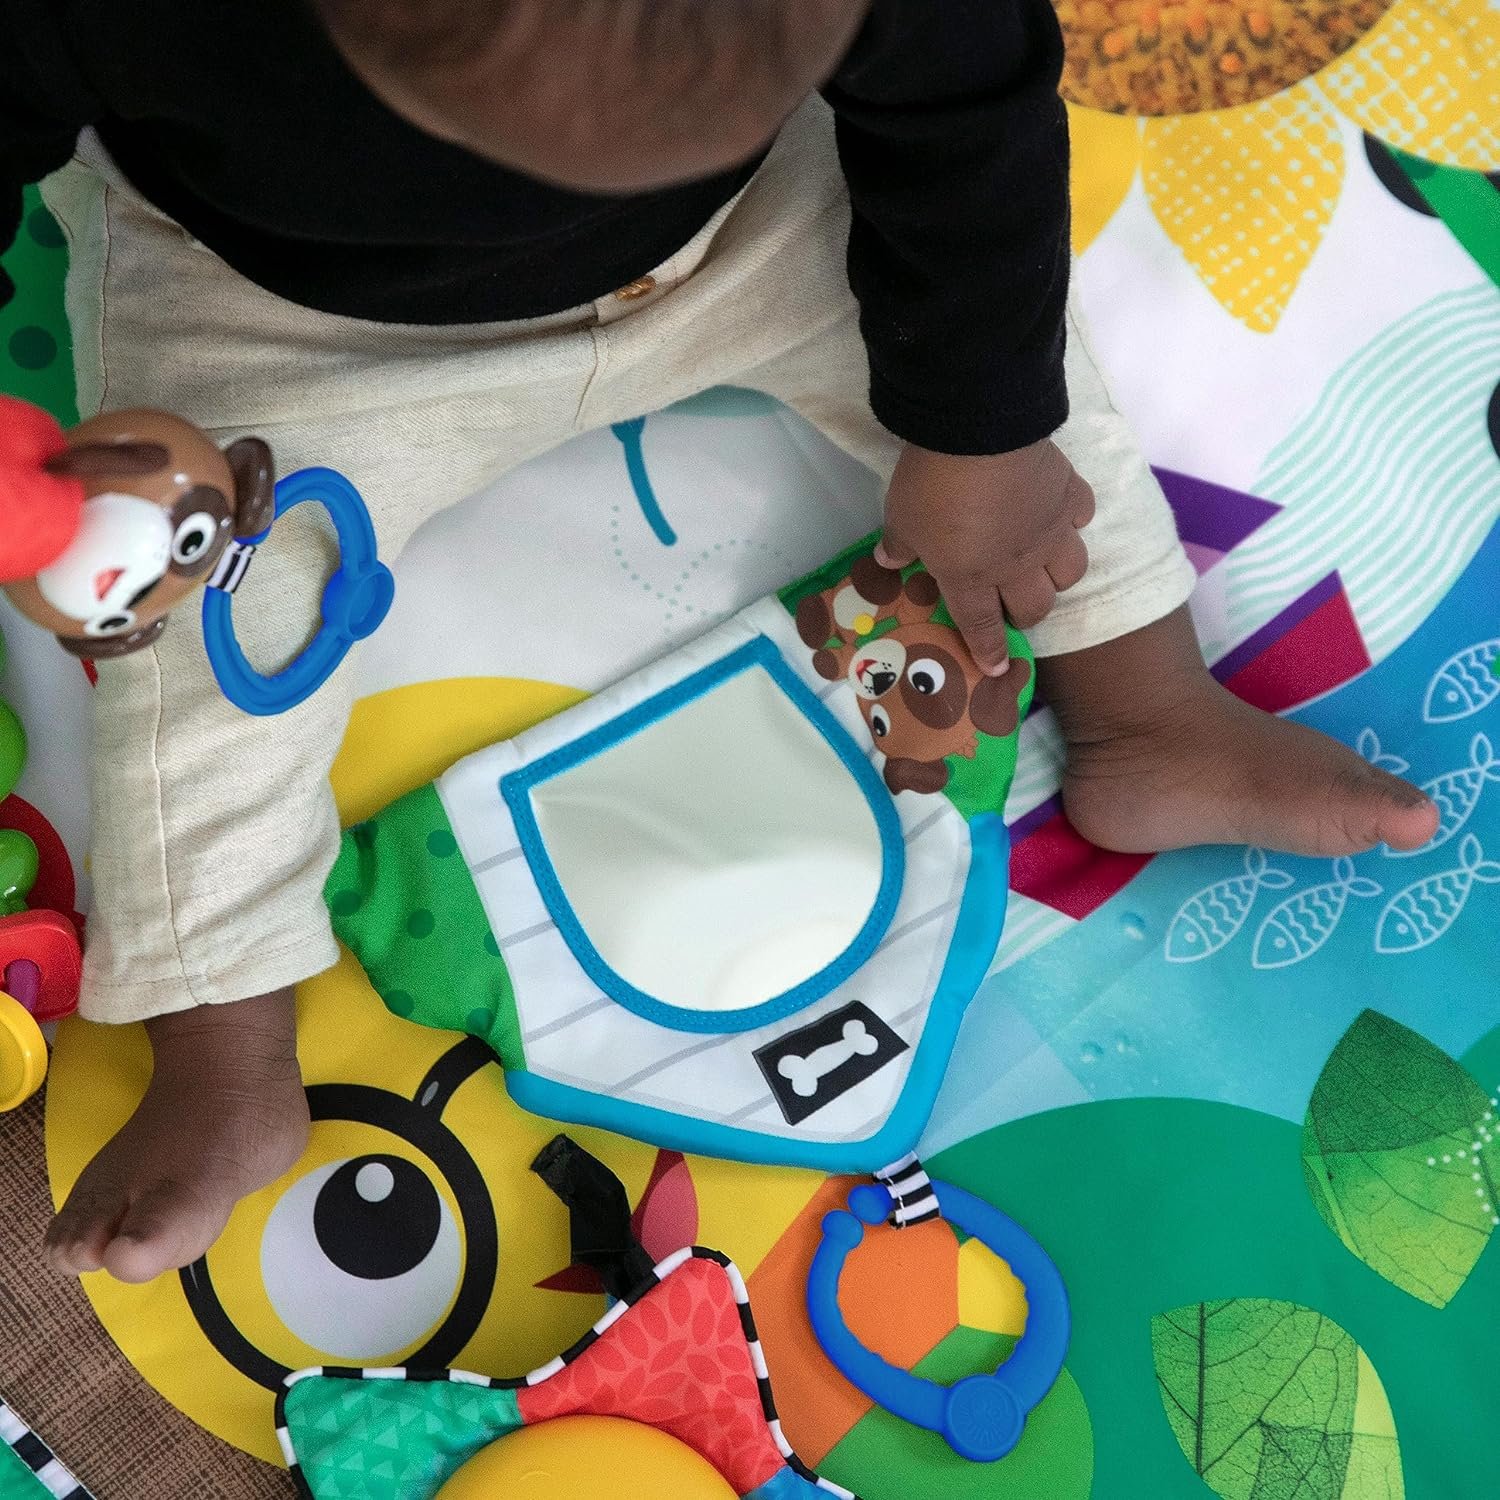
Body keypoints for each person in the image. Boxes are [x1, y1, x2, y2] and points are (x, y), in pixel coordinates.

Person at [1, 0, 1436, 1285]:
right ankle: (223, 1040)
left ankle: (1147, 713)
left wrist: (976, 434)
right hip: (284, 322)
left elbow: (969, 120)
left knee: (1021, 409)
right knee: (203, 647)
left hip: (749, 235)